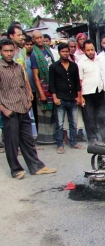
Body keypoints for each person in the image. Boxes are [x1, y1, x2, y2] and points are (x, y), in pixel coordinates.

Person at [0, 39, 56, 179]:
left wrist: (28, 99)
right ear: (1, 52)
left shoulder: (18, 67)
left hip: (23, 107)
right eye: (5, 51)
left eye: (10, 51)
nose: (8, 54)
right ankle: (16, 170)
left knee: (28, 140)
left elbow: (24, 84)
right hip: (9, 109)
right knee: (11, 142)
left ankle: (36, 166)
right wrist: (3, 109)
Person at [49, 43, 84, 154]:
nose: (65, 53)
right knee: (59, 123)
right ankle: (60, 144)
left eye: (67, 51)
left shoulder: (74, 66)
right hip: (60, 98)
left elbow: (77, 83)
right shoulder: (54, 67)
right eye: (63, 51)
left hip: (72, 98)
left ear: (69, 52)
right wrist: (55, 98)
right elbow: (52, 84)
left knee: (73, 123)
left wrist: (78, 97)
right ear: (59, 52)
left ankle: (74, 142)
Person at [79, 39, 105, 143]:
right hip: (87, 93)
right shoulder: (80, 63)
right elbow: (79, 80)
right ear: (84, 50)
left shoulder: (98, 60)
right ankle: (92, 138)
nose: (91, 52)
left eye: (92, 49)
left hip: (99, 92)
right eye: (88, 50)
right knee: (89, 117)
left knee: (103, 115)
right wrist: (80, 96)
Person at [31, 30, 55, 144]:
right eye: (37, 38)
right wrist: (41, 93)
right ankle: (44, 139)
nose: (39, 40)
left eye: (41, 37)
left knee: (53, 112)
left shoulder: (48, 50)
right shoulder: (34, 54)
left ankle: (54, 136)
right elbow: (35, 76)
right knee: (44, 113)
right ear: (33, 40)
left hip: (51, 84)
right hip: (42, 85)